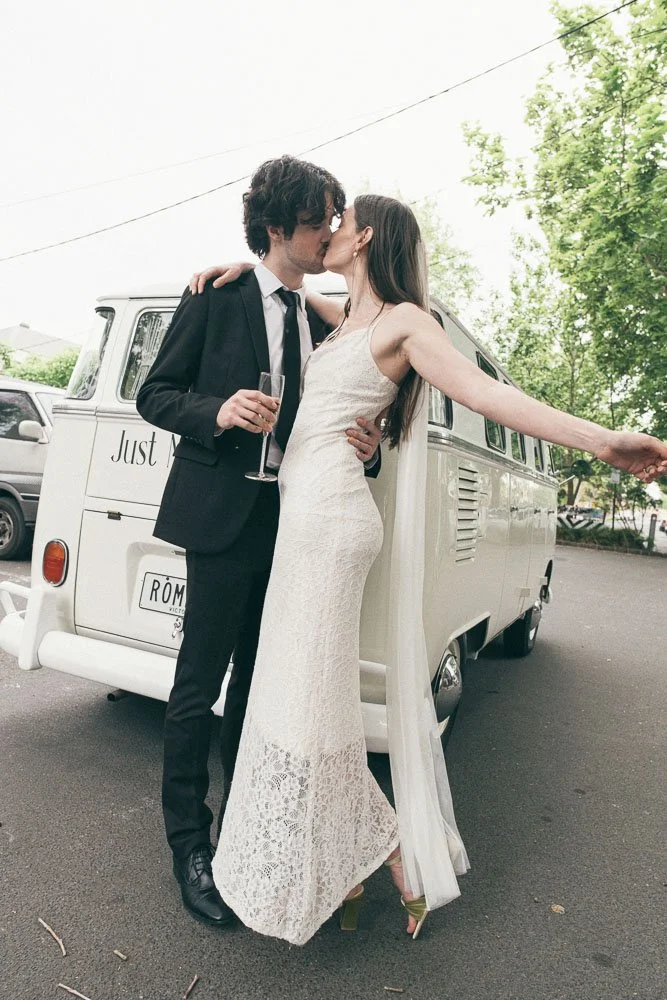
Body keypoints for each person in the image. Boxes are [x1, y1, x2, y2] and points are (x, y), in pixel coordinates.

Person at [191, 193, 667, 947]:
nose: (329, 231)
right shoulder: (343, 317)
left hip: (331, 528)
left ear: (365, 237)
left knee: (305, 703)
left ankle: (381, 852)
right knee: (304, 699)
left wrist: (601, 441)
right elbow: (288, 292)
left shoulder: (407, 323)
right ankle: (361, 860)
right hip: (302, 527)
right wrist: (242, 271)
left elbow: (487, 395)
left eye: (341, 221)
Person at [135, 157, 383, 930]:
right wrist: (216, 410)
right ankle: (190, 846)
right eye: (317, 221)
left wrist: (369, 447)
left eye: (334, 220)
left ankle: (245, 837)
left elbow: (345, 418)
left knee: (256, 687)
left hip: (295, 526)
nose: (329, 233)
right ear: (276, 227)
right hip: (220, 518)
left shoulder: (326, 321)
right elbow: (154, 394)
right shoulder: (215, 296)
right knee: (197, 687)